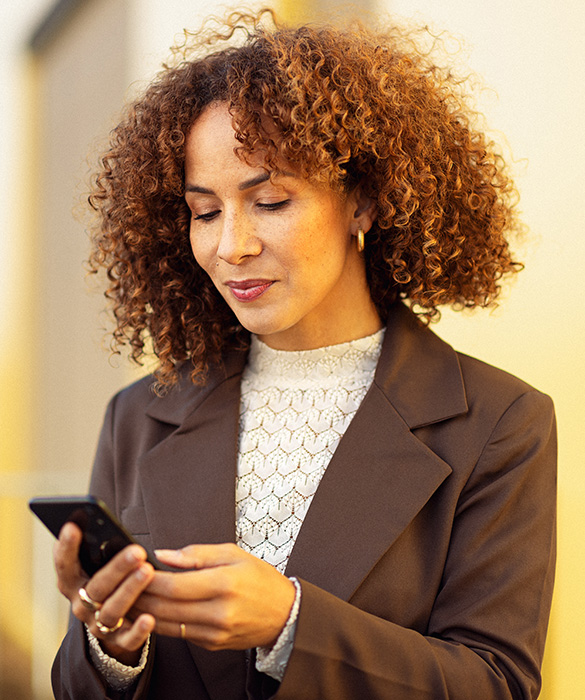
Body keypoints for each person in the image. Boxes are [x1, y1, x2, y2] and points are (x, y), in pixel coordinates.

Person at [51, 9, 556, 700]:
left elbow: (496, 684)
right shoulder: (139, 414)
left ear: (364, 202)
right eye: (204, 212)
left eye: (270, 200)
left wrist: (290, 623)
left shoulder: (499, 423)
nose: (231, 246)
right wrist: (112, 644)